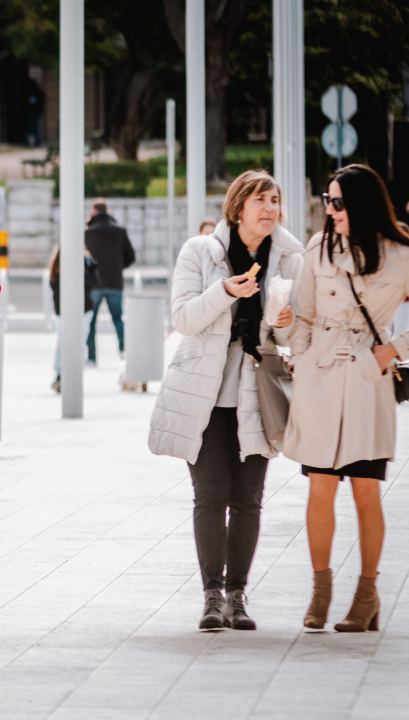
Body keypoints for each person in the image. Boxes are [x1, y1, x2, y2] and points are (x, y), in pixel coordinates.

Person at [286, 165, 409, 632]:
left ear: (360, 203)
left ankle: (366, 595)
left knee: (365, 491)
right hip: (321, 379)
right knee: (320, 487)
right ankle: (320, 592)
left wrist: (389, 352)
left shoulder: (400, 255)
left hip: (365, 381)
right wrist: (301, 361)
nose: (330, 210)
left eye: (338, 202)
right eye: (327, 200)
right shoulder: (318, 249)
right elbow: (302, 315)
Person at [149, 170, 303, 631]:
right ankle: (212, 596)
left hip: (258, 396)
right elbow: (183, 319)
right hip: (205, 394)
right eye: (260, 200)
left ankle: (238, 594)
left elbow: (291, 336)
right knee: (210, 496)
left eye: (275, 200)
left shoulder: (288, 260)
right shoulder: (201, 252)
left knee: (249, 500)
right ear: (238, 208)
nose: (270, 209)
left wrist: (286, 324)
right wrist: (224, 292)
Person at [84, 200, 135, 362]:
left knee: (91, 321)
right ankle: (124, 352)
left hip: (94, 283)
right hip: (115, 282)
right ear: (107, 211)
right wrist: (118, 267)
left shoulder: (88, 232)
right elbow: (131, 256)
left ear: (94, 212)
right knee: (118, 319)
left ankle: (91, 356)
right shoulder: (120, 231)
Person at [49, 245, 97, 393]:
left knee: (77, 343)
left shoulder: (85, 262)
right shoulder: (58, 263)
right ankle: (60, 375)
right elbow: (54, 283)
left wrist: (85, 264)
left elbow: (93, 282)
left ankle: (73, 376)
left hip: (82, 310)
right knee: (63, 342)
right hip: (64, 311)